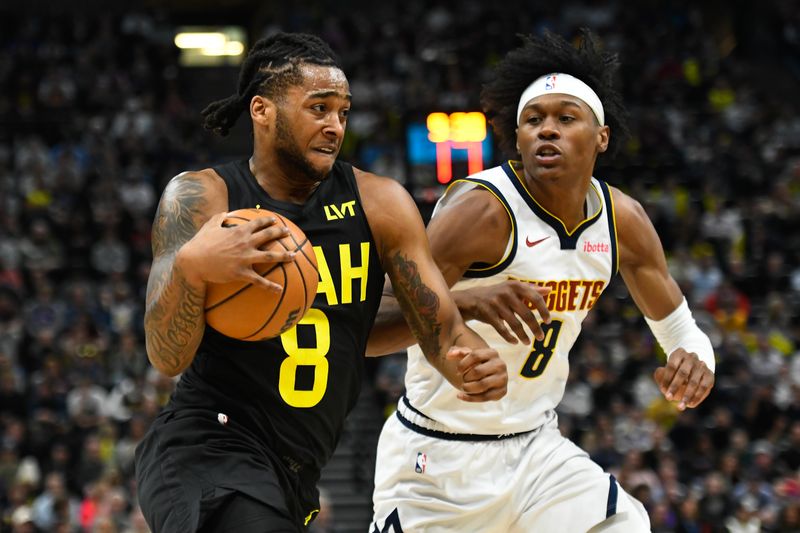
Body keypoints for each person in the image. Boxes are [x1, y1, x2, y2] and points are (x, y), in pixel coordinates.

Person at [134, 32, 508, 533]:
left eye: (343, 113)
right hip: (207, 448)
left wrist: (467, 362)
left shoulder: (381, 204)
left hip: (296, 469)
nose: (335, 126)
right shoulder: (203, 198)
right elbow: (165, 356)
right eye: (319, 108)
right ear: (262, 110)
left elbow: (435, 329)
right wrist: (190, 268)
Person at [368, 30, 715, 532]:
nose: (545, 130)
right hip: (437, 457)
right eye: (533, 120)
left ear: (601, 136)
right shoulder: (481, 211)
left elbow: (682, 333)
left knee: (625, 525)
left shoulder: (623, 220)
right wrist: (461, 305)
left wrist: (695, 362)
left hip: (536, 452)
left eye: (565, 118)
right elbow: (370, 330)